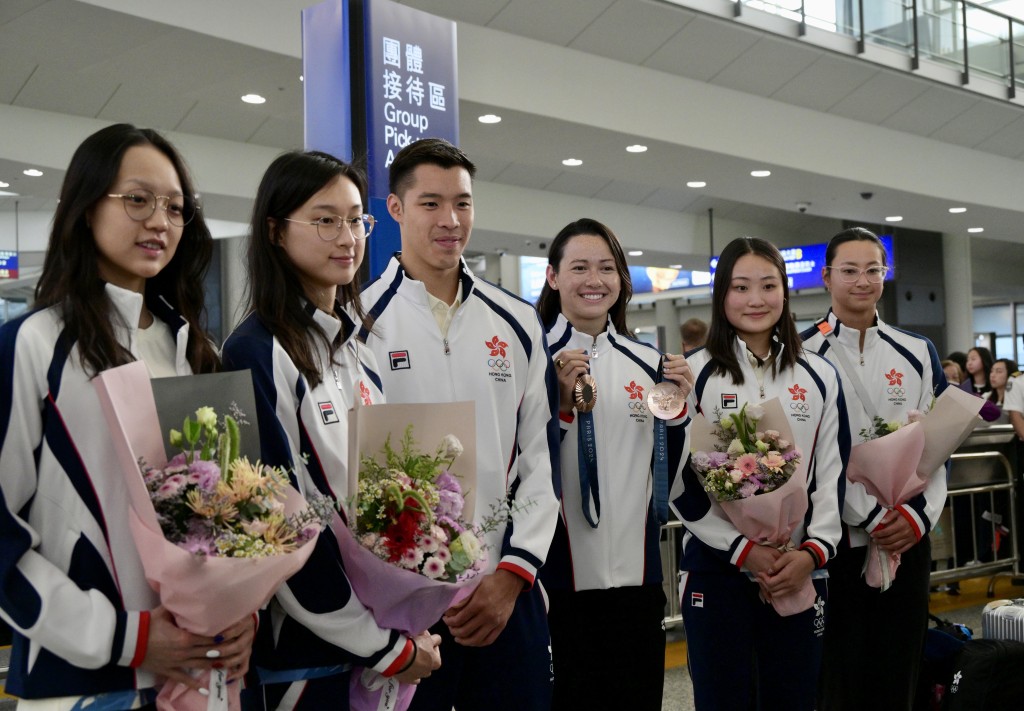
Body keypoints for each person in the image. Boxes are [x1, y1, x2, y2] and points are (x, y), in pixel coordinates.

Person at [0, 123, 253, 709]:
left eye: (174, 207)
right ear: (86, 208)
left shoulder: (195, 350)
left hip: (199, 676)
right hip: (85, 681)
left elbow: (237, 515)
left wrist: (242, 614)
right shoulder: (34, 346)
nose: (159, 222)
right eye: (137, 200)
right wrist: (126, 637)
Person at [220, 150, 441, 709]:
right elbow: (276, 529)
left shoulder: (358, 350)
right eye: (325, 220)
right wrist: (380, 644)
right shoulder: (253, 352)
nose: (347, 236)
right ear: (274, 230)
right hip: (305, 655)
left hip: (376, 639)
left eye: (356, 220)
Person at [359, 138, 560, 711]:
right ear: (395, 209)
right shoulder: (361, 322)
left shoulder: (518, 322)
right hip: (405, 608)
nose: (450, 221)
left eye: (463, 203)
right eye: (430, 204)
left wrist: (512, 575)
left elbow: (538, 459)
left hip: (506, 592)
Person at [673, 236, 846, 711]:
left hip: (798, 568)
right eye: (740, 286)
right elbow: (678, 482)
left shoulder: (820, 375)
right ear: (720, 295)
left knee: (794, 698)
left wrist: (813, 553)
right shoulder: (692, 375)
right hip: (718, 570)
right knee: (722, 699)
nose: (755, 299)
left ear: (785, 293)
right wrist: (741, 549)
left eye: (768, 285)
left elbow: (831, 471)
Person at [536, 218, 692, 711]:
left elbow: (672, 466)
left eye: (606, 267)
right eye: (579, 267)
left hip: (637, 580)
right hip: (555, 582)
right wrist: (557, 405)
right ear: (553, 276)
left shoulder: (650, 364)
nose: (593, 280)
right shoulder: (532, 354)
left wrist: (682, 406)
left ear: (622, 280)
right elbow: (517, 455)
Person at [801, 226, 947, 711]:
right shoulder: (801, 352)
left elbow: (939, 442)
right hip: (835, 545)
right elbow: (807, 456)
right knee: (838, 677)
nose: (862, 281)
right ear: (826, 277)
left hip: (906, 540)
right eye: (849, 270)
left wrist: (916, 519)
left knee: (899, 672)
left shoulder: (917, 350)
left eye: (873, 270)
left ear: (886, 275)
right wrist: (868, 516)